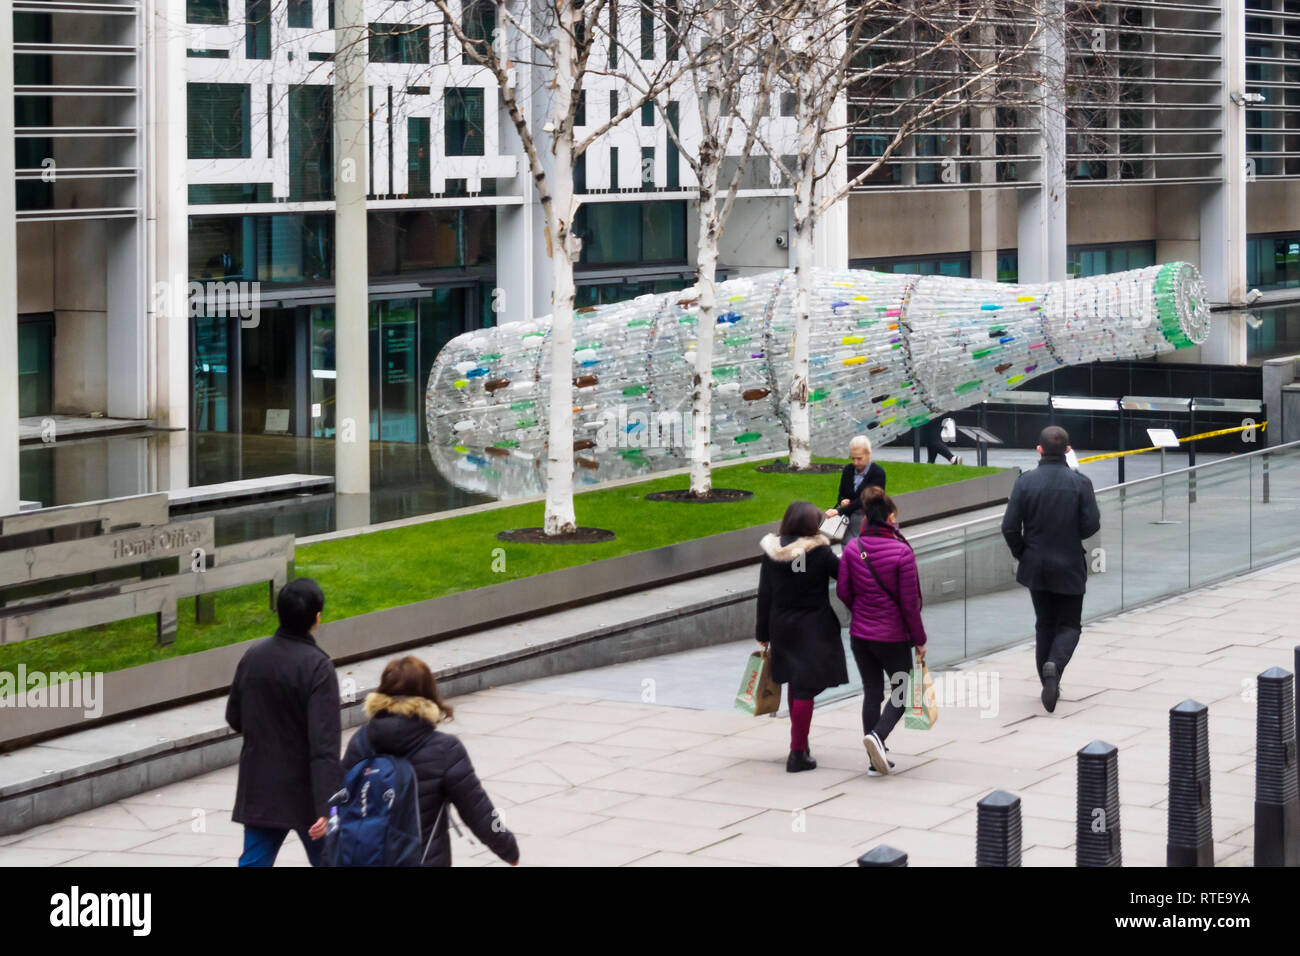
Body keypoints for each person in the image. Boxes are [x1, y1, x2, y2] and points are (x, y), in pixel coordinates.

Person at [340, 656, 521, 866]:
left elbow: (339, 798)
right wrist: (508, 849)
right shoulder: (445, 749)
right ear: (429, 694)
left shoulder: (361, 741)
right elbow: (478, 812)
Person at [227, 577, 341, 867]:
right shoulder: (318, 667)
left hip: (261, 785)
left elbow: (234, 717)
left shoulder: (253, 657)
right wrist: (327, 805)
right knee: (330, 860)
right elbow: (324, 744)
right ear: (316, 618)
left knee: (254, 861)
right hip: (306, 792)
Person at [1000, 425, 1101, 713]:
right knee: (1070, 624)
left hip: (1036, 566)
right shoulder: (1081, 483)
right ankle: (1054, 667)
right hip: (1069, 563)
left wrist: (1023, 553)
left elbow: (1009, 526)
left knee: (1044, 623)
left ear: (1039, 450)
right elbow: (1091, 525)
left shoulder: (1025, 483)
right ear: (1068, 450)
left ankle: (1047, 679)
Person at [836, 486, 927, 776]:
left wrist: (862, 612)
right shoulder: (901, 552)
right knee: (903, 690)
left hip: (860, 636)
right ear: (889, 518)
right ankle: (878, 737)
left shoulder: (853, 549)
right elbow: (909, 604)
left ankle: (874, 759)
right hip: (892, 636)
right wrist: (920, 641)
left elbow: (843, 591)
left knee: (872, 692)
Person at [756, 501, 847, 773]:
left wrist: (762, 633)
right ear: (810, 525)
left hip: (782, 626)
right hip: (813, 626)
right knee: (806, 688)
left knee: (797, 683)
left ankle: (801, 743)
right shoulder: (818, 552)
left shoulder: (772, 552)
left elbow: (765, 593)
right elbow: (845, 574)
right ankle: (797, 754)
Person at [826, 435, 888, 540]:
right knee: (848, 549)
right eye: (852, 458)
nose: (855, 462)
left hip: (869, 520)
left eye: (859, 458)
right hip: (848, 522)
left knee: (865, 551)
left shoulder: (878, 473)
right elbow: (841, 493)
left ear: (868, 454)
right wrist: (843, 500)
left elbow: (867, 499)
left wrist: (840, 510)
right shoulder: (848, 470)